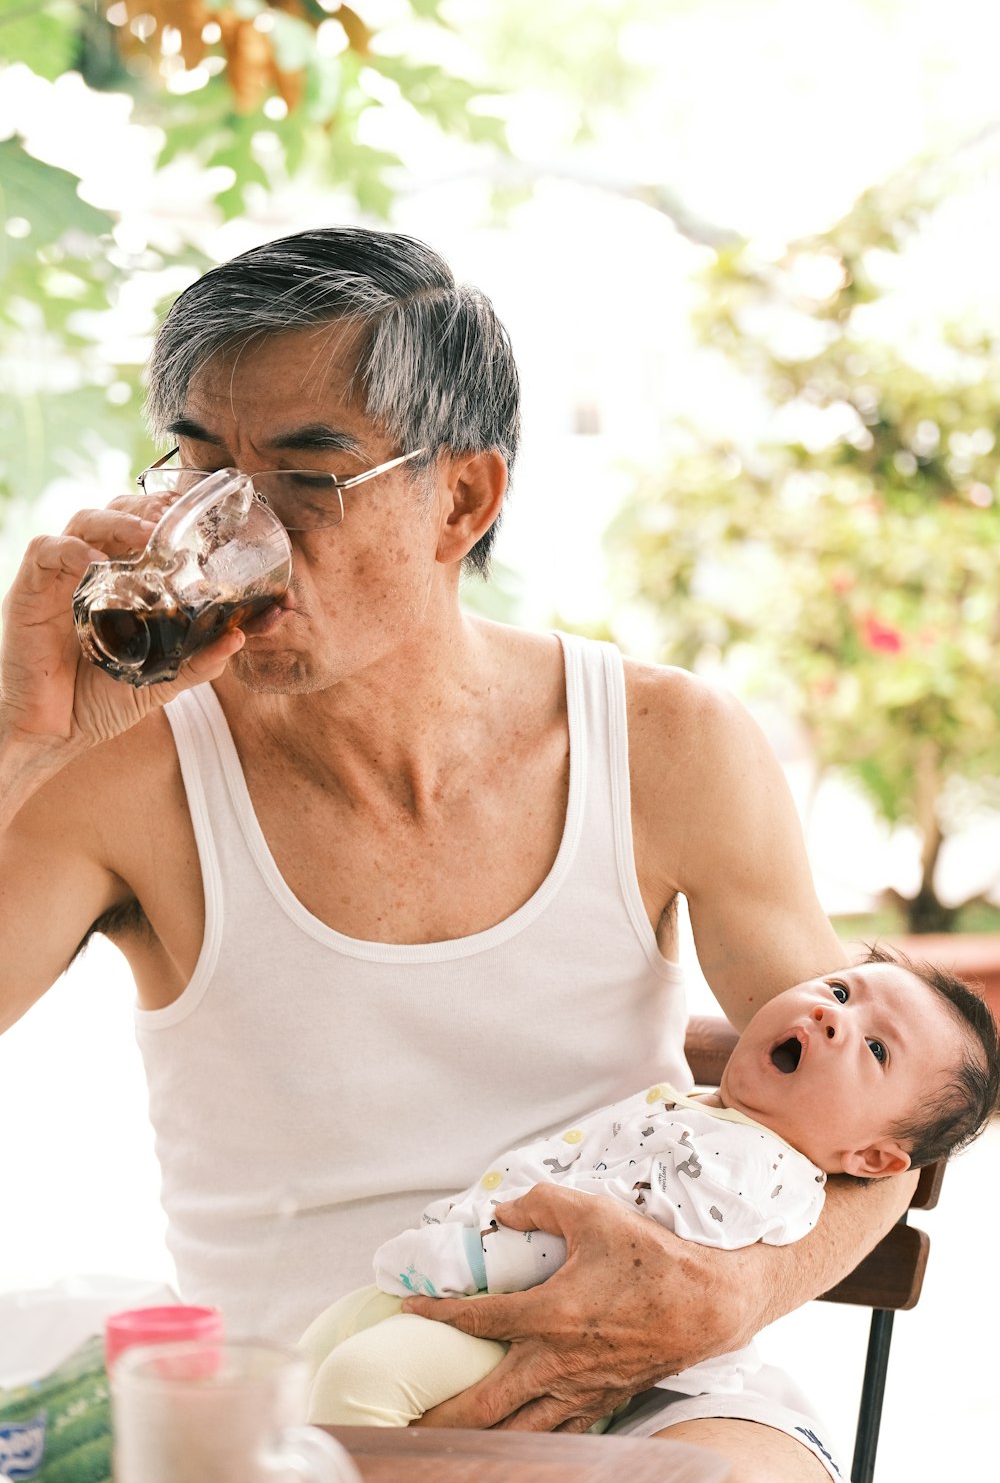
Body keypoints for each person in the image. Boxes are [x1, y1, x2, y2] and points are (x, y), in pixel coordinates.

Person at [0, 226, 926, 1481]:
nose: (230, 528)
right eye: (198, 466)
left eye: (305, 477)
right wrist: (19, 744)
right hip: (302, 1415)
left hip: (648, 1388)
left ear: (465, 499)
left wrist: (721, 1302)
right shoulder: (122, 769)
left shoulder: (661, 743)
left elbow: (879, 1135)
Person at [299, 950, 1000, 1431]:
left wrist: (473, 1260)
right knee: (311, 1352)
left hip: (543, 1333)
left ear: (873, 1158)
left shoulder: (760, 1175)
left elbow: (622, 1264)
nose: (832, 1015)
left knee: (360, 1383)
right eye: (841, 991)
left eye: (877, 1049)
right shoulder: (698, 1112)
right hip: (471, 1289)